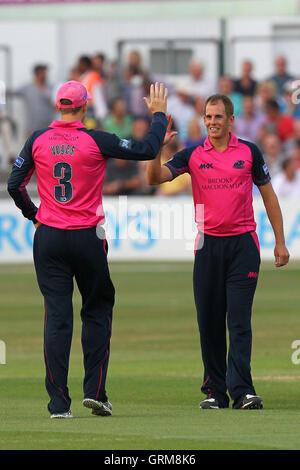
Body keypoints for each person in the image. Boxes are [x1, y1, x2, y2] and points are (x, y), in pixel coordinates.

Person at [7, 80, 168, 419]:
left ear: (58, 105)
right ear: (84, 107)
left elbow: (14, 184)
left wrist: (33, 216)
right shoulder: (95, 139)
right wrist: (158, 116)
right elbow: (146, 150)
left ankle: (58, 404)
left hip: (49, 237)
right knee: (96, 310)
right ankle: (95, 393)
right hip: (86, 236)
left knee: (57, 317)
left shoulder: (37, 139)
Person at [146, 93, 290, 410]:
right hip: (208, 245)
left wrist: (280, 241)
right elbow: (154, 178)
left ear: (231, 120)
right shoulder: (193, 154)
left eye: (218, 117)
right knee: (210, 322)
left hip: (243, 245)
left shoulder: (249, 152)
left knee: (239, 321)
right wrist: (157, 145)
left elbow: (269, 197)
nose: (212, 122)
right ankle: (215, 391)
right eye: (208, 117)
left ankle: (243, 391)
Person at [15, 64, 55, 137]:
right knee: (30, 148)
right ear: (37, 74)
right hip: (31, 130)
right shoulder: (27, 87)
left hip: (48, 130)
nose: (45, 75)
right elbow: (12, 92)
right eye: (43, 73)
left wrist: (43, 90)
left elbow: (55, 105)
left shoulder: (51, 87)